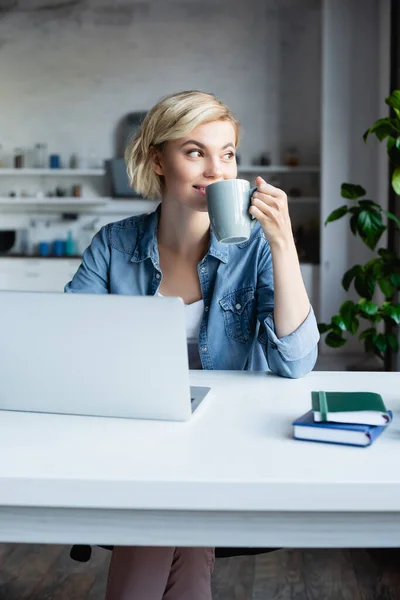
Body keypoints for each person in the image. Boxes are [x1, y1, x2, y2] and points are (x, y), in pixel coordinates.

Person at [65, 90, 319, 599]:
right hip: (134, 435)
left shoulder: (255, 252)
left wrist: (283, 245)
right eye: (195, 151)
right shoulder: (113, 245)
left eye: (227, 153)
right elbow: (69, 346)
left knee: (161, 513)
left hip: (224, 438)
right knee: (177, 524)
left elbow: (297, 361)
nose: (217, 169)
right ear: (157, 159)